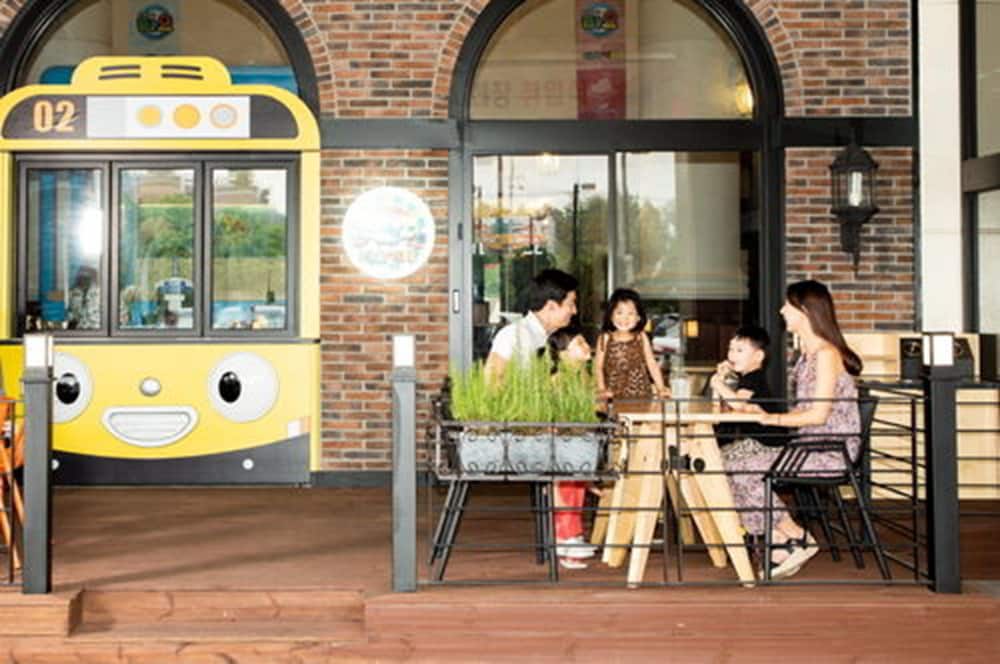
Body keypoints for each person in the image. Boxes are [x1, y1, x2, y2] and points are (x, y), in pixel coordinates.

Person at [724, 280, 862, 580]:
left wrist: (770, 419)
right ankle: (783, 539)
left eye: (788, 305)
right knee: (732, 463)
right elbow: (804, 412)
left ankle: (792, 538)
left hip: (827, 452)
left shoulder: (826, 355)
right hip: (807, 446)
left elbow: (818, 415)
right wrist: (763, 414)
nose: (781, 310)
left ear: (805, 311)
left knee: (742, 467)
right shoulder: (807, 357)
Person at [543, 324, 598, 569]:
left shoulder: (582, 377)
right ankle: (565, 537)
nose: (587, 347)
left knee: (576, 488)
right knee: (566, 488)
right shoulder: (558, 380)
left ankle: (572, 536)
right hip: (558, 444)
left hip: (576, 443)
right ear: (563, 354)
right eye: (579, 343)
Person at [484, 268, 578, 381]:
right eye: (570, 304)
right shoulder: (512, 335)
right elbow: (492, 382)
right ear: (551, 306)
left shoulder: (559, 336)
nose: (575, 311)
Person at [710, 325, 785, 448]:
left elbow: (739, 404)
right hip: (757, 442)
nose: (732, 356)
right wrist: (721, 377)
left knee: (709, 448)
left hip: (766, 445)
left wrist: (718, 383)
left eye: (739, 350)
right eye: (731, 349)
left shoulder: (753, 377)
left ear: (758, 356)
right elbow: (717, 405)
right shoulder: (745, 378)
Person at [594, 288, 670, 406]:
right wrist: (601, 389)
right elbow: (598, 367)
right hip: (612, 398)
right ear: (611, 315)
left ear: (638, 317)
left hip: (642, 396)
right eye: (619, 313)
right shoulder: (605, 338)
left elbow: (651, 363)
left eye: (630, 313)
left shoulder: (640, 337)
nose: (624, 318)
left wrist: (661, 388)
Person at [67, 266, 100, 330]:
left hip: (97, 330)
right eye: (81, 276)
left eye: (87, 277)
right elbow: (70, 314)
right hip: (79, 330)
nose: (83, 280)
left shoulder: (101, 293)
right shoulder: (72, 293)